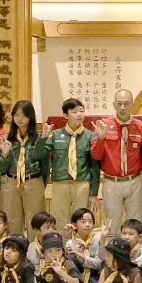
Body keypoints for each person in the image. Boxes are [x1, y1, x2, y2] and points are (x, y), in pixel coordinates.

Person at [90, 89, 142, 235]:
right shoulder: (104, 125)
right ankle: (113, 256)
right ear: (114, 105)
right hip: (111, 182)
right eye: (119, 104)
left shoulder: (141, 127)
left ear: (132, 105)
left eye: (126, 103)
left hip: (134, 181)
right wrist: (101, 138)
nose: (123, 107)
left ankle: (135, 256)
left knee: (136, 223)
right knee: (112, 225)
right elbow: (96, 156)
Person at [47, 98, 100, 230]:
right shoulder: (55, 135)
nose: (79, 114)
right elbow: (40, 154)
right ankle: (63, 249)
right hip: (60, 183)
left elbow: (94, 166)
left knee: (81, 220)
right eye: (74, 111)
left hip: (81, 184)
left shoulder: (90, 136)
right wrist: (43, 138)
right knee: (60, 220)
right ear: (66, 115)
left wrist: (94, 192)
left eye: (82, 111)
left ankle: (81, 248)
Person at [0, 100, 50, 237]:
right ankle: (15, 250)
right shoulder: (7, 138)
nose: (19, 119)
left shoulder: (39, 137)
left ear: (30, 116)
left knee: (35, 220)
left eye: (23, 115)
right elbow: (2, 168)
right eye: (16, 115)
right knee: (12, 220)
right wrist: (4, 155)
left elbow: (45, 163)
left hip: (33, 180)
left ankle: (36, 253)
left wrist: (40, 183)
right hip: (11, 182)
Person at [66, 208, 105, 283]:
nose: (87, 225)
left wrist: (81, 256)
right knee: (70, 256)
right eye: (83, 222)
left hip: (95, 274)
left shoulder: (98, 238)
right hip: (77, 276)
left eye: (90, 221)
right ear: (74, 225)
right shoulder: (70, 243)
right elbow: (66, 262)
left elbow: (99, 264)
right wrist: (68, 236)